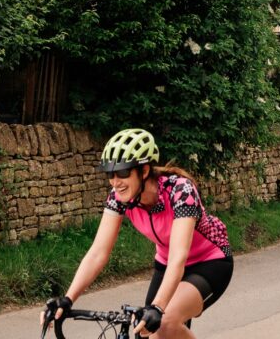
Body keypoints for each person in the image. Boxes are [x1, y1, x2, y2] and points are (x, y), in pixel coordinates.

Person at [41, 128, 233, 338]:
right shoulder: (119, 197)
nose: (116, 182)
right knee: (144, 330)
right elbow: (98, 252)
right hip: (166, 264)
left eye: (123, 173)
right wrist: (67, 299)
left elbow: (179, 256)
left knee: (164, 323)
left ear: (144, 171)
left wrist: (158, 307)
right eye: (110, 174)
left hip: (209, 261)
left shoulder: (180, 191)